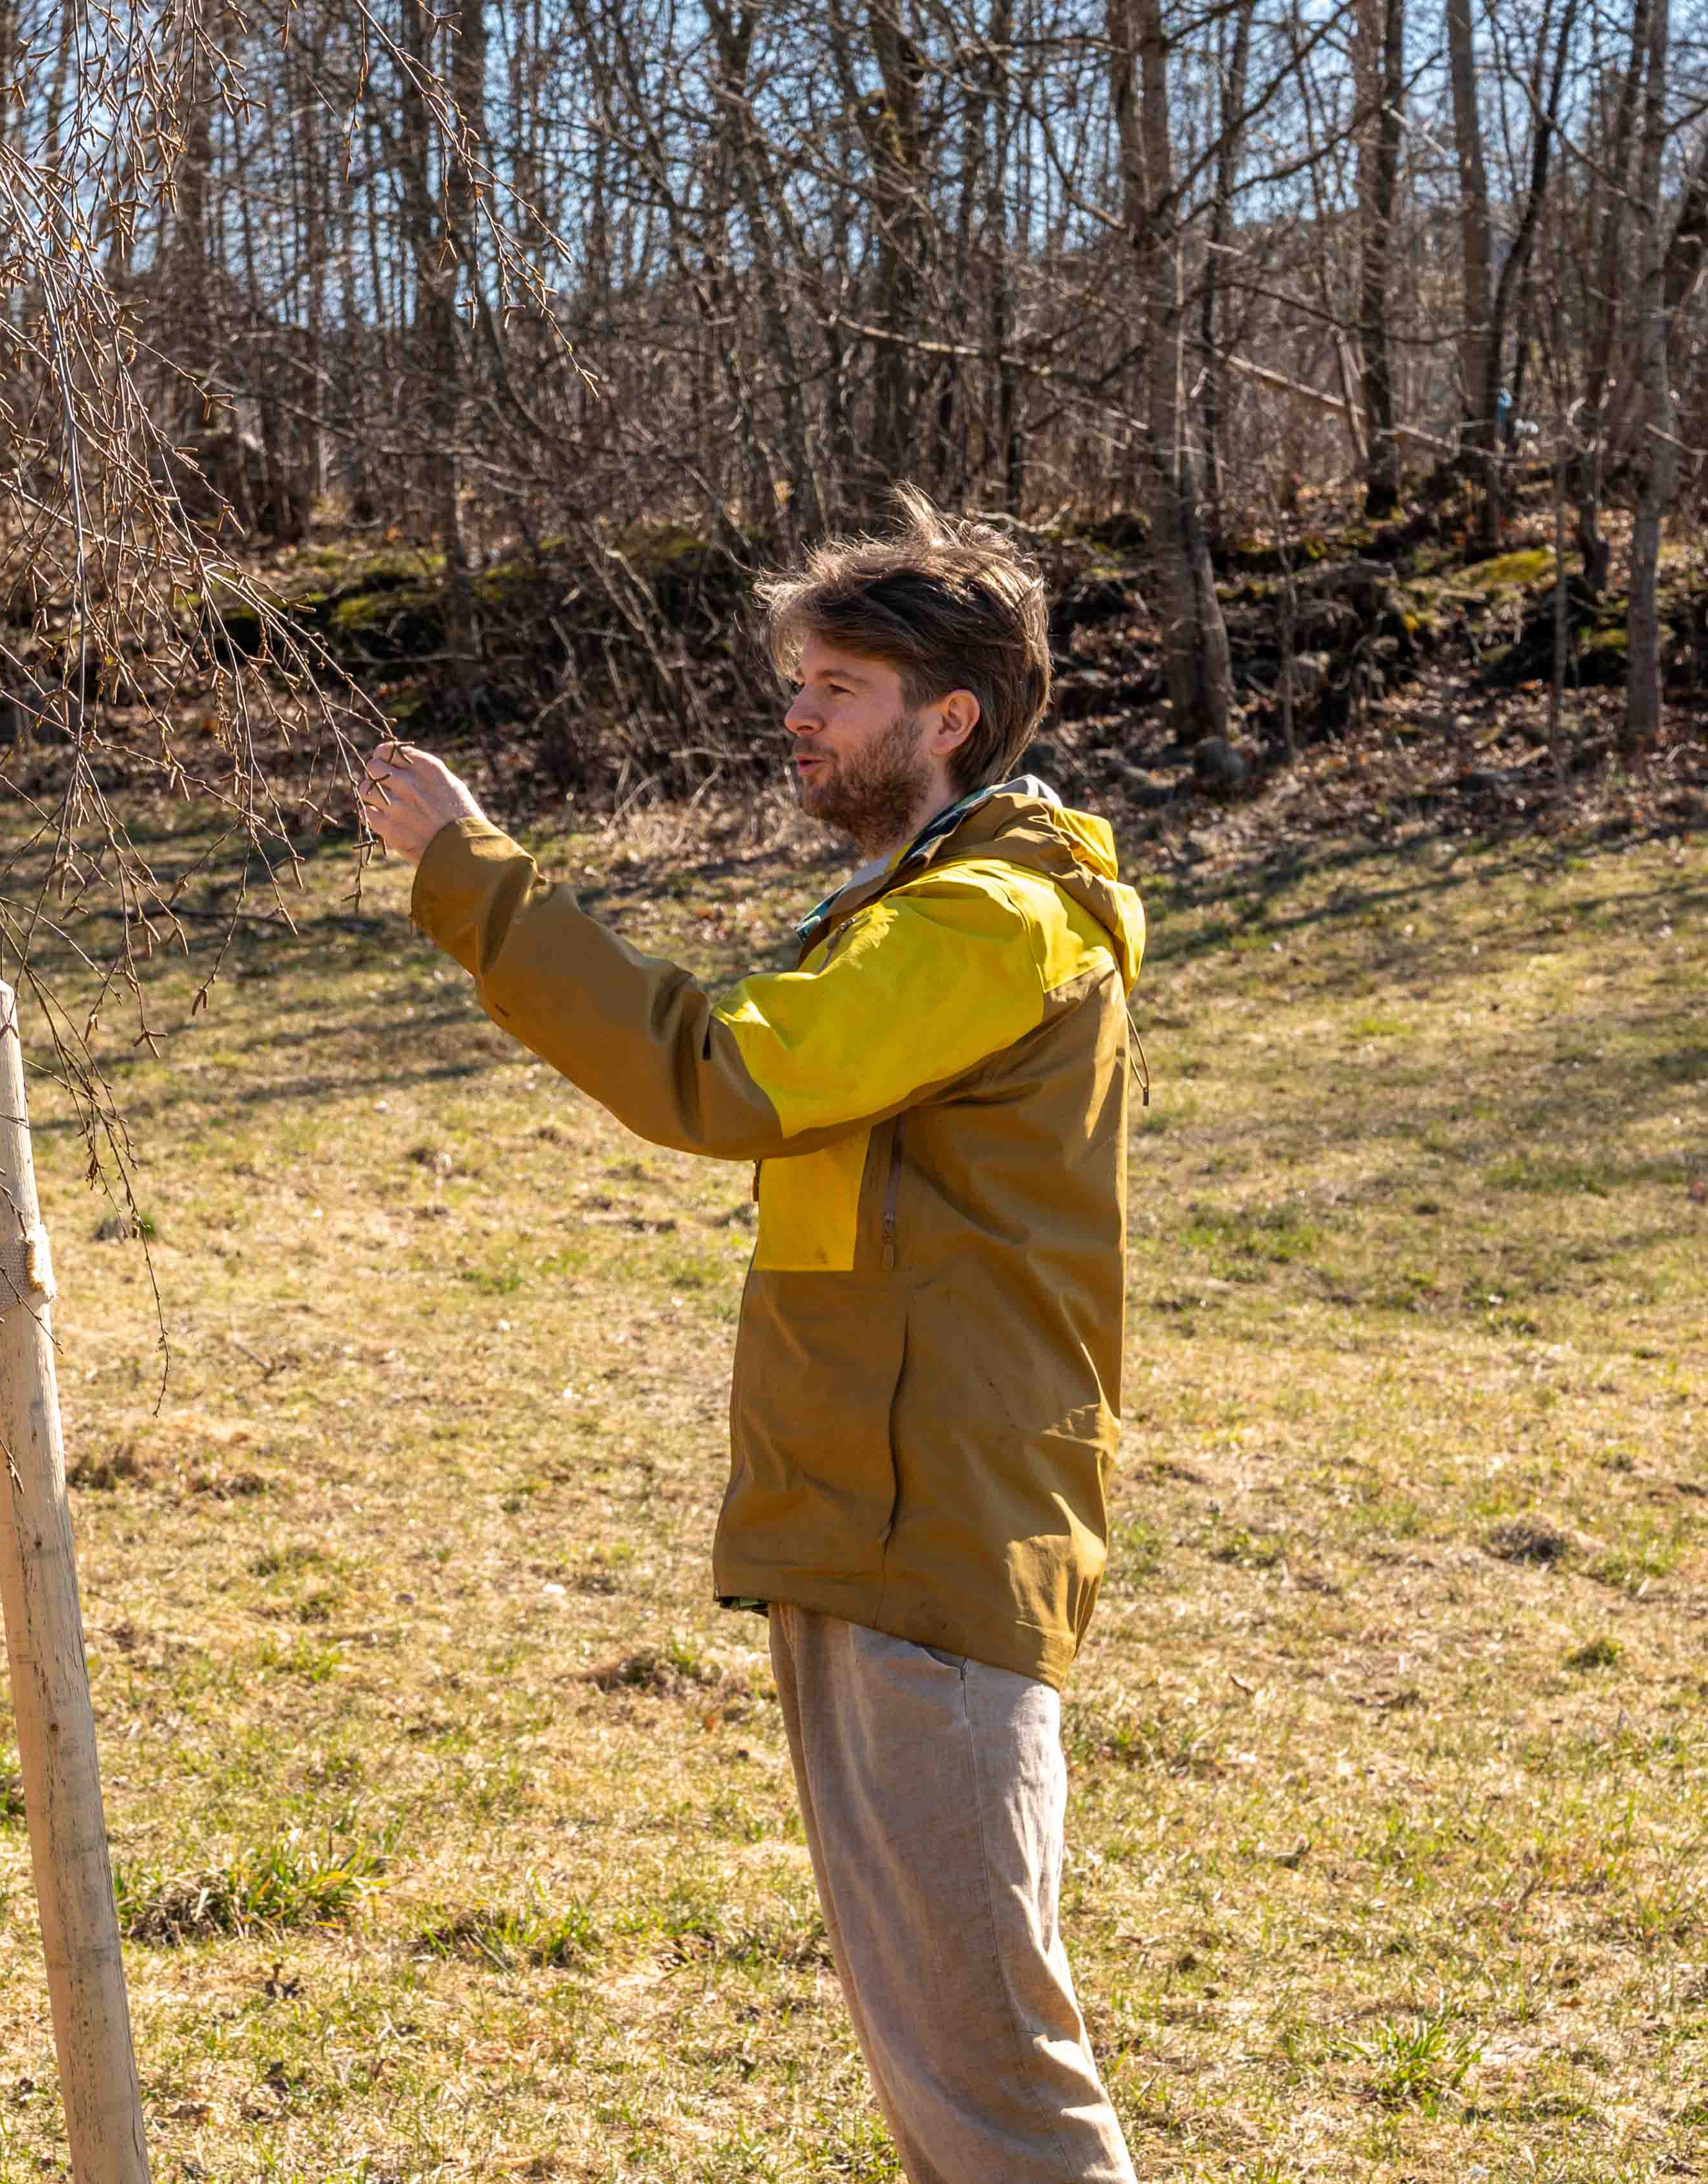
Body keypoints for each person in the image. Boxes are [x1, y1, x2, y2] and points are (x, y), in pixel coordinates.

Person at [355, 491, 1145, 2182]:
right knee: (941, 2068)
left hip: (935, 1538)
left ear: (950, 720)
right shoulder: (911, 907)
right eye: (801, 679)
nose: (800, 711)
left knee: (992, 2070)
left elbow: (715, 1080)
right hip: (861, 1532)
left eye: (842, 685)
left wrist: (474, 878)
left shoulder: (989, 924)